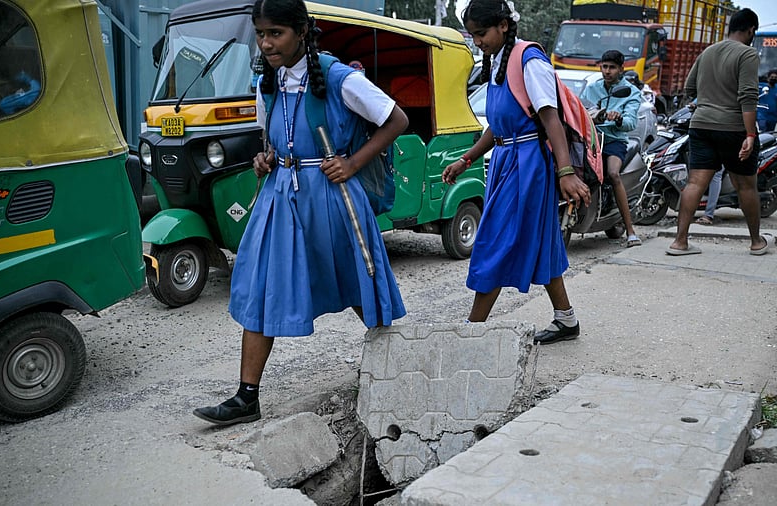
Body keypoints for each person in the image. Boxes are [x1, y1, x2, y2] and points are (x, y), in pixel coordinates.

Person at [193, 0, 409, 426]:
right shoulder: (267, 82)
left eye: (276, 33)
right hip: (280, 197)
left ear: (302, 32)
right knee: (261, 285)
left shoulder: (337, 76)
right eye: (260, 33)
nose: (266, 43)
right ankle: (246, 397)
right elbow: (273, 139)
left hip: (332, 198)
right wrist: (265, 159)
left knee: (358, 281)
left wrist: (352, 163)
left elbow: (396, 119)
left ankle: (400, 371)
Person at [442, 0, 592, 345]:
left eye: (481, 33)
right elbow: (498, 127)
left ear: (504, 26)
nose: (477, 41)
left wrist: (566, 171)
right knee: (539, 241)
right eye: (473, 34)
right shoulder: (497, 62)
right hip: (506, 161)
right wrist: (465, 160)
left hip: (528, 166)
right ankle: (566, 320)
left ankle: (472, 328)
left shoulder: (528, 59)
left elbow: (550, 118)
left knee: (496, 241)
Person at [667, 8, 774, 256]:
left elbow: (689, 87)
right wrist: (749, 134)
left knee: (695, 183)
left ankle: (680, 242)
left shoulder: (708, 52)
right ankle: (757, 242)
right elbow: (748, 95)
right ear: (751, 30)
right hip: (733, 128)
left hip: (701, 125)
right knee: (746, 186)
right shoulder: (747, 54)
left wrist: (706, 100)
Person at [583, 50, 643, 247]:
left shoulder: (631, 92)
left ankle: (631, 231)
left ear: (621, 69)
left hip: (613, 140)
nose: (607, 71)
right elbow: (580, 108)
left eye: (612, 67)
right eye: (604, 66)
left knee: (613, 173)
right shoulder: (592, 88)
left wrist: (618, 119)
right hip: (591, 139)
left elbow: (630, 122)